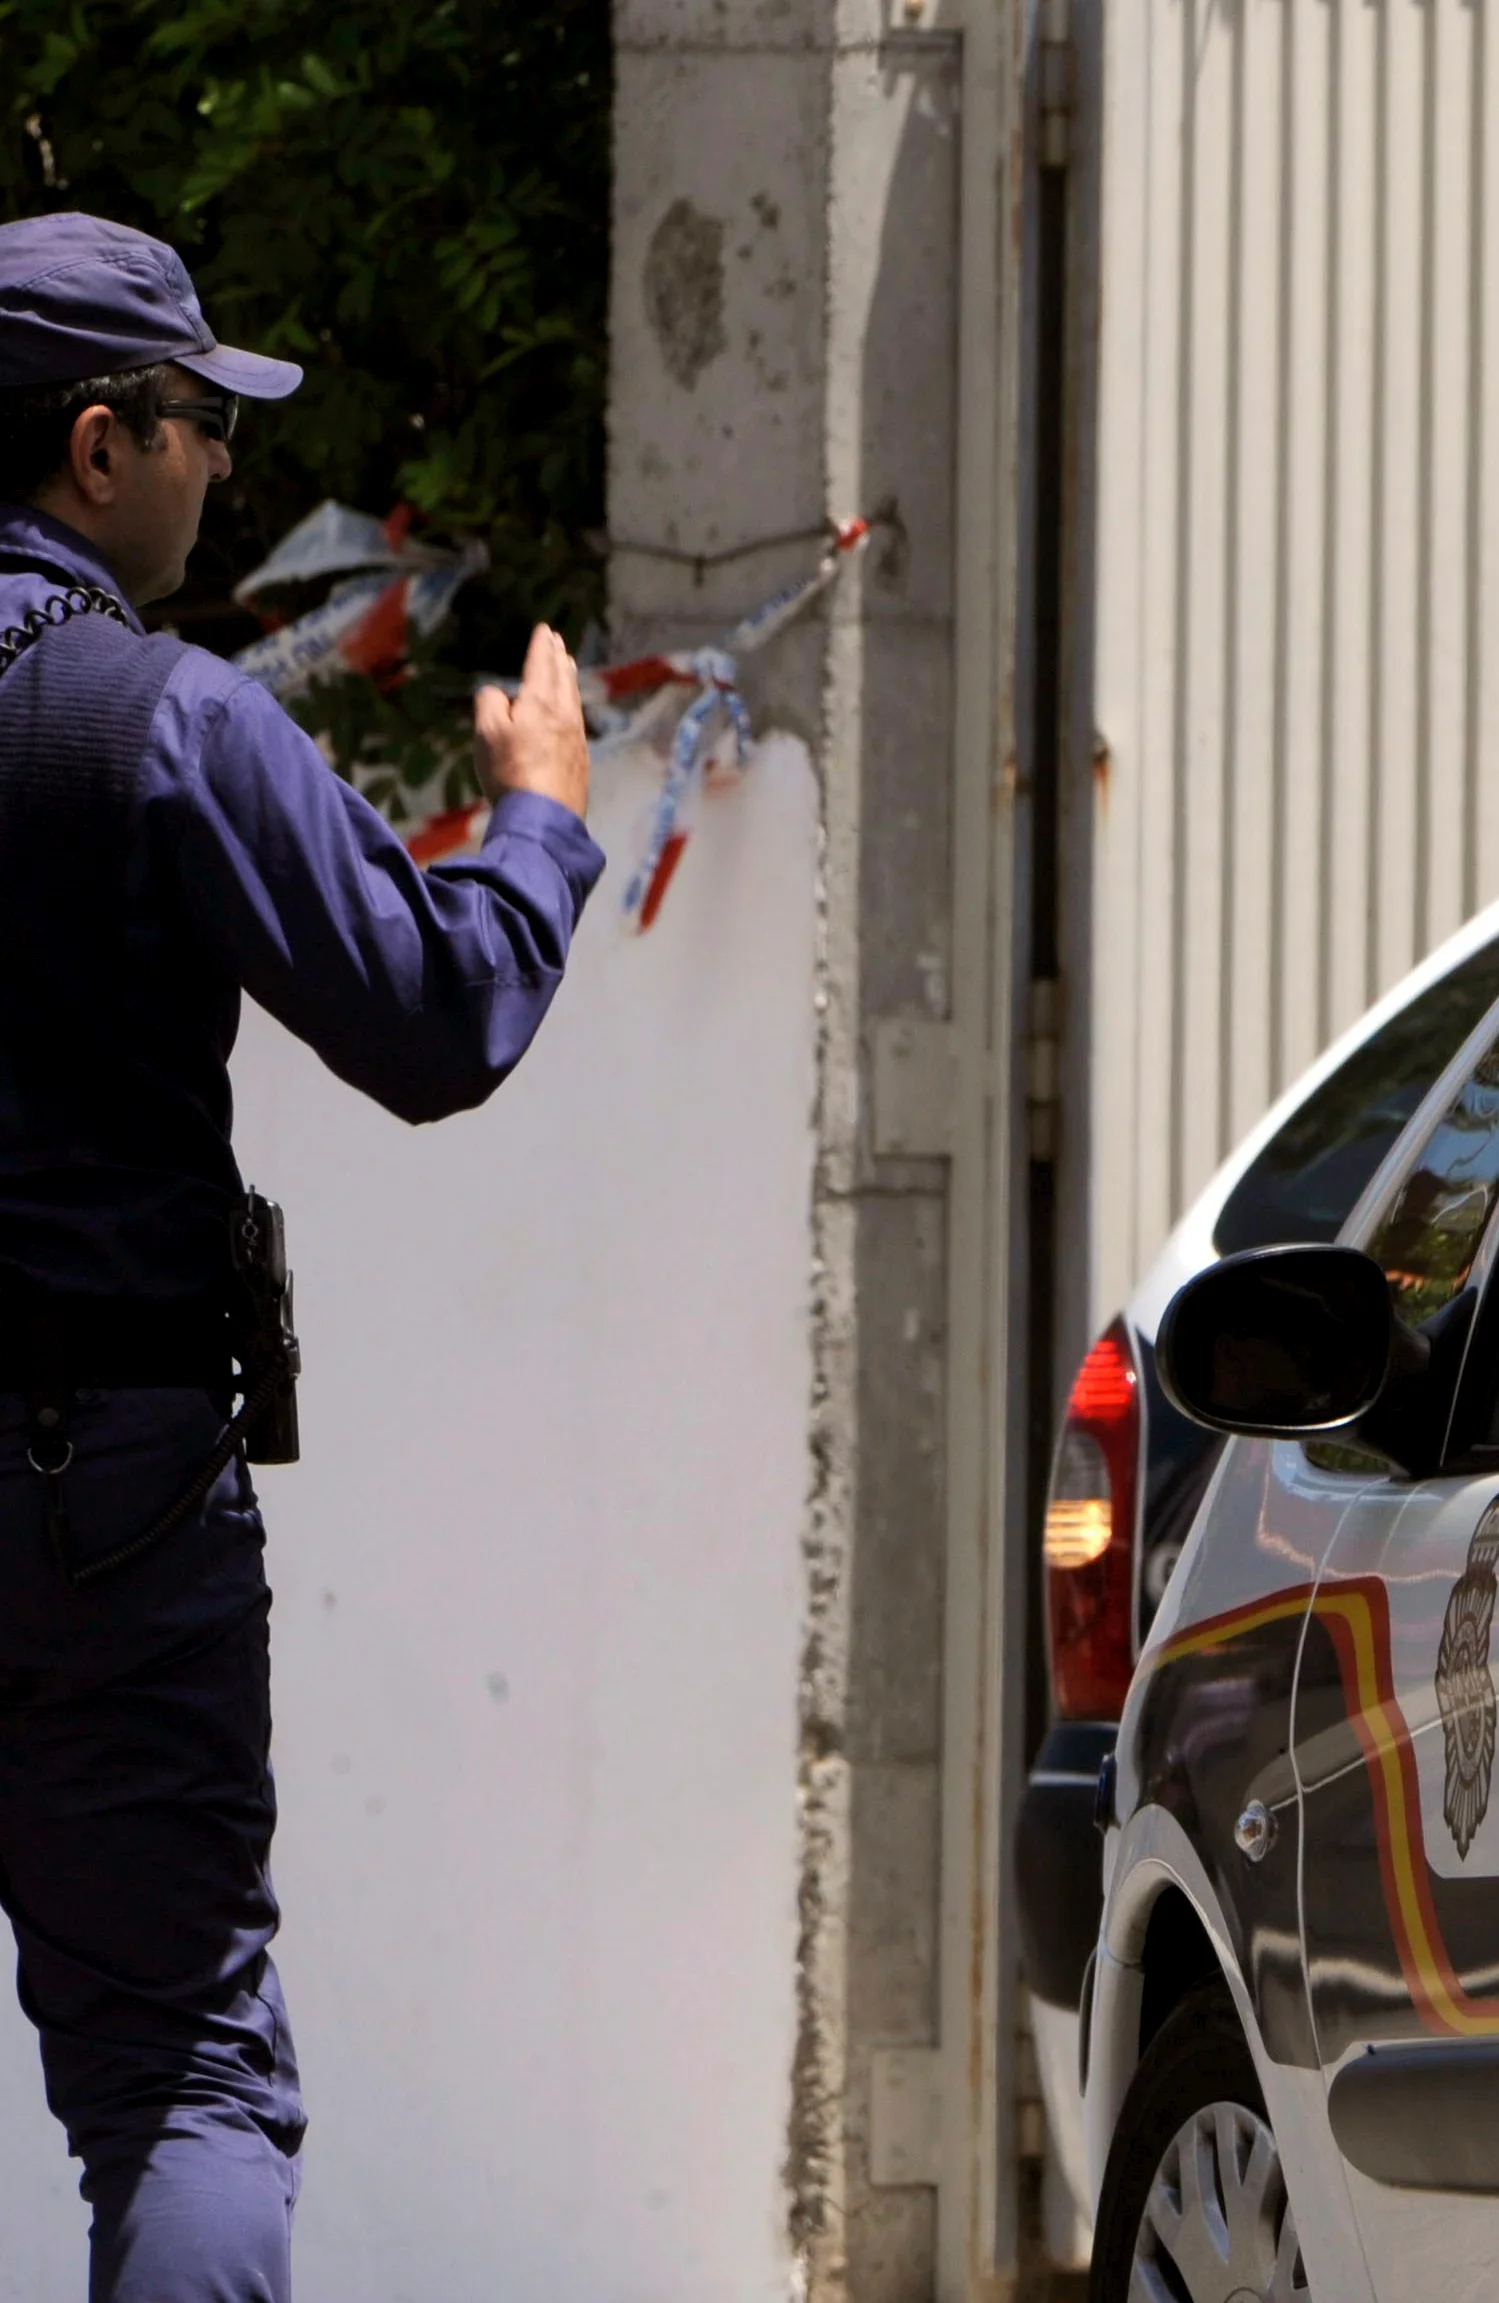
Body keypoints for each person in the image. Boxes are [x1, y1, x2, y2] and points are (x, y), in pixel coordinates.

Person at [0, 213, 599, 2301]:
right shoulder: (161, 721)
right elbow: (434, 1019)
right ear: (96, 445)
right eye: (191, 421)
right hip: (104, 1485)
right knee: (175, 2071)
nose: (222, 466)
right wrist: (532, 817)